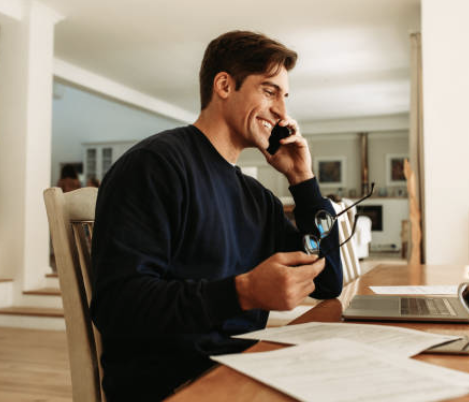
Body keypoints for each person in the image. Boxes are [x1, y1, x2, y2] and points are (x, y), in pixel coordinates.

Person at [90, 30, 343, 401]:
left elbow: (328, 280)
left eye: (284, 97)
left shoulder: (258, 198)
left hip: (245, 371)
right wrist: (244, 291)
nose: (282, 112)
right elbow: (118, 306)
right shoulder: (155, 165)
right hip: (175, 388)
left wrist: (302, 181)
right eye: (269, 91)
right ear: (224, 85)